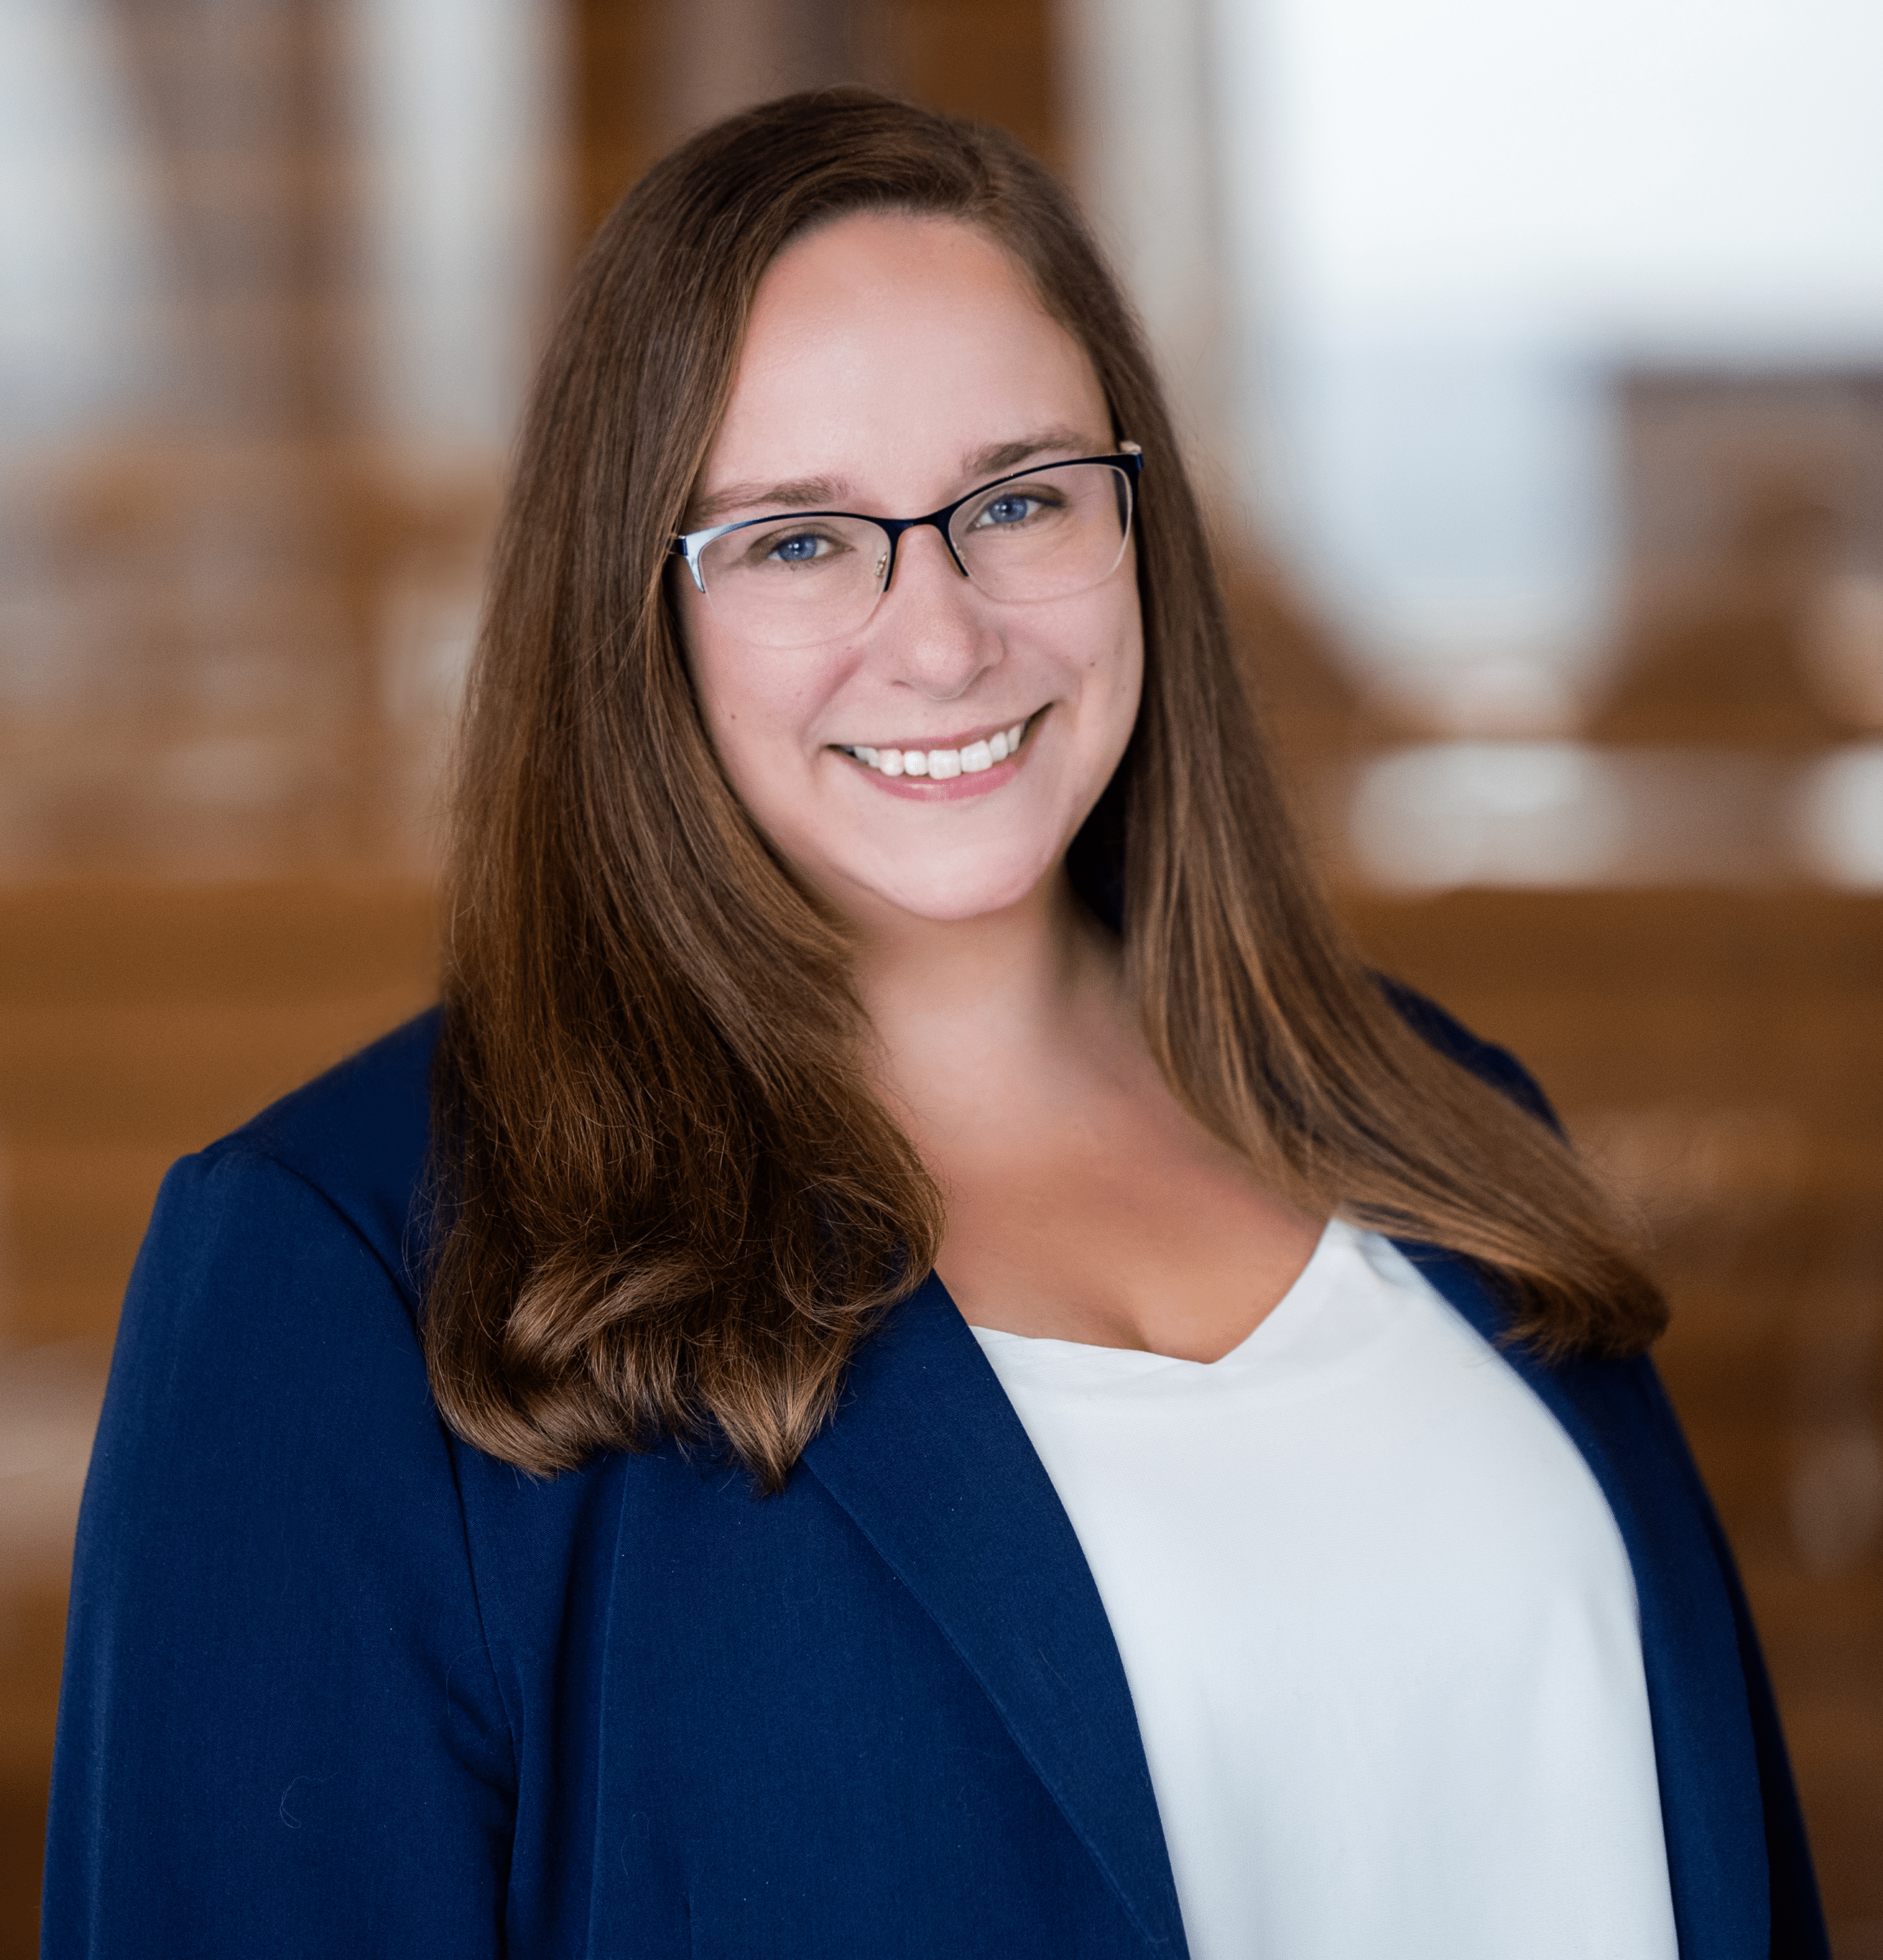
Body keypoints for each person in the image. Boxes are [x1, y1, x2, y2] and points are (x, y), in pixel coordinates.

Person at [44, 91, 1826, 1960]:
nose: (943, 636)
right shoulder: (342, 1270)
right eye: (800, 541)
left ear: (1136, 521)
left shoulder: (1433, 1119)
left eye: (1019, 498)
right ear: (625, 608)